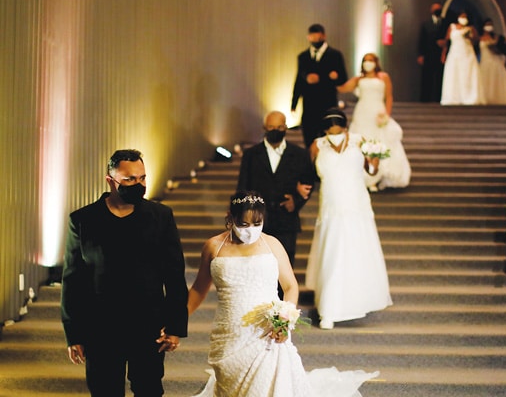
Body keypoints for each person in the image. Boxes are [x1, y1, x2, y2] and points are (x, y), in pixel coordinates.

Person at [188, 190, 379, 396]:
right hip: (230, 332)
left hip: (266, 333)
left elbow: (290, 286)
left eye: (257, 224)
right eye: (243, 224)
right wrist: (176, 322)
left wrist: (284, 320)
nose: (250, 230)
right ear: (230, 217)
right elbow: (198, 289)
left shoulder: (272, 245)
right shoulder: (214, 247)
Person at [60, 149, 189, 396]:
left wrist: (175, 326)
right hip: (101, 326)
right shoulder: (83, 220)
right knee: (104, 391)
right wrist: (73, 334)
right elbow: (73, 280)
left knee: (149, 390)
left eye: (142, 178)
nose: (138, 184)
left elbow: (174, 275)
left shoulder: (161, 216)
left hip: (148, 325)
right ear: (110, 181)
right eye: (129, 179)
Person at [305, 108, 393, 330]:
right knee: (333, 253)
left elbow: (371, 171)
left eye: (338, 131)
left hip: (356, 206)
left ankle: (357, 300)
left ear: (346, 127)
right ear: (325, 131)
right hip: (331, 206)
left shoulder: (359, 141)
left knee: (356, 252)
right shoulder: (317, 145)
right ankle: (328, 309)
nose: (334, 135)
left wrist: (374, 160)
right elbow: (306, 173)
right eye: (330, 132)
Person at [236, 110, 315, 297]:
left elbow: (308, 184)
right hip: (257, 223)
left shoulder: (299, 154)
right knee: (255, 267)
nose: (275, 131)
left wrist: (296, 202)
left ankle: (280, 309)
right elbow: (242, 187)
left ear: (286, 127)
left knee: (284, 269)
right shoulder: (251, 155)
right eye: (271, 127)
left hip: (286, 221)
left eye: (279, 127)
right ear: (264, 128)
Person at [337, 52, 411, 191]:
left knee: (378, 142)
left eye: (371, 60)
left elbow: (389, 97)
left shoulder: (383, 77)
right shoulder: (359, 79)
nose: (368, 63)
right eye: (365, 60)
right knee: (361, 142)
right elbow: (342, 88)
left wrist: (386, 114)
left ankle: (376, 175)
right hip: (362, 112)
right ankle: (362, 177)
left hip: (377, 112)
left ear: (376, 62)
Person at [291, 23, 348, 148]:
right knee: (309, 138)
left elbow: (343, 78)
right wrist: (294, 103)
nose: (315, 39)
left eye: (318, 37)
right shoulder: (303, 57)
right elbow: (299, 80)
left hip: (327, 102)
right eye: (312, 37)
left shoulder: (335, 55)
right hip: (309, 103)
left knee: (327, 138)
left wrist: (330, 77)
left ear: (323, 36)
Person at [440, 11, 485, 105]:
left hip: (467, 54)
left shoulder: (471, 28)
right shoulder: (452, 27)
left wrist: (469, 36)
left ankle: (469, 97)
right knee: (454, 74)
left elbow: (476, 41)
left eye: (465, 16)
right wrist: (443, 54)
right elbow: (446, 41)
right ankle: (453, 97)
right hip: (455, 54)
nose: (463, 18)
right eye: (461, 16)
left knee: (467, 74)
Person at [478, 18, 506, 105]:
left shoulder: (497, 37)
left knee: (497, 80)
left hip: (495, 60)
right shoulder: (480, 38)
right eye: (487, 24)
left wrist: (496, 47)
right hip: (485, 61)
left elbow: (504, 50)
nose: (489, 26)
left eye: (491, 24)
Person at [417, 2, 447, 102]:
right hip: (428, 55)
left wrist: (444, 43)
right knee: (427, 78)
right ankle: (425, 100)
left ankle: (438, 100)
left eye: (439, 9)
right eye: (435, 9)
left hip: (441, 56)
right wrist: (421, 55)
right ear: (431, 11)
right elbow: (421, 40)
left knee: (440, 79)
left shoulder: (445, 23)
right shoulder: (426, 24)